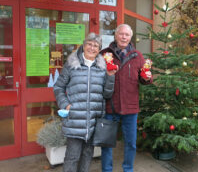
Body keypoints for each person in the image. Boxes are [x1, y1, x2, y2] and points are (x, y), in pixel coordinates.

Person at [53, 33, 117, 172]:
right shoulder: (71, 64)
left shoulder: (102, 67)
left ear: (99, 49)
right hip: (75, 119)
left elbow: (107, 94)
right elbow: (58, 87)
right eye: (89, 44)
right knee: (72, 156)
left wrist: (111, 77)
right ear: (84, 45)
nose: (92, 48)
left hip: (94, 120)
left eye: (96, 45)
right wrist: (66, 105)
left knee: (88, 155)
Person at [100, 24, 153, 172]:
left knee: (131, 143)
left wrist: (147, 78)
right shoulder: (104, 54)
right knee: (107, 143)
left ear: (130, 37)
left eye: (127, 35)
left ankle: (128, 169)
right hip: (110, 106)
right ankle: (107, 170)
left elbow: (144, 77)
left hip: (130, 108)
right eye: (121, 34)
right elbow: (97, 78)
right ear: (116, 35)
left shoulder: (137, 55)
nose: (124, 37)